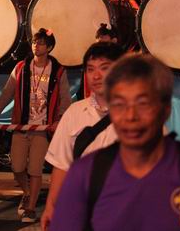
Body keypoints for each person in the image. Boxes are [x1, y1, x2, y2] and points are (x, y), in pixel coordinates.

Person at [50, 54, 180, 231]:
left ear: (165, 109)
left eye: (143, 104)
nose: (130, 116)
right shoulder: (85, 175)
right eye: (119, 104)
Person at [0, 28, 71, 223]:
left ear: (49, 47)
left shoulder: (58, 71)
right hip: (20, 126)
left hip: (42, 129)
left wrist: (59, 120)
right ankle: (28, 193)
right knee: (17, 168)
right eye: (34, 42)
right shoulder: (21, 67)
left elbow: (65, 99)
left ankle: (30, 208)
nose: (35, 46)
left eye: (40, 43)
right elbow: (7, 93)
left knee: (35, 170)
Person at [41, 42, 123, 231]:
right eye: (90, 69)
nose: (96, 76)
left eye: (104, 68)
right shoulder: (74, 112)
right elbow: (61, 165)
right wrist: (51, 207)